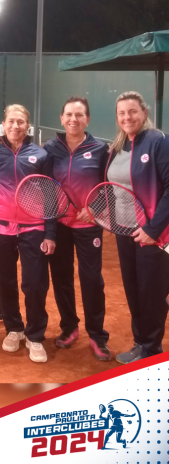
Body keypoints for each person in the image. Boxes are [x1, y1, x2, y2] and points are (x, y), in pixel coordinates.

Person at [0, 104, 56, 363]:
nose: (15, 126)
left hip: (34, 228)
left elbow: (50, 194)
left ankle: (35, 336)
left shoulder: (41, 155)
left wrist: (50, 232)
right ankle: (14, 328)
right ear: (3, 124)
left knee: (35, 283)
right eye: (11, 121)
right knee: (6, 281)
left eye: (20, 122)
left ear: (28, 126)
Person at [44, 97, 111, 361]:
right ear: (61, 118)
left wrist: (95, 209)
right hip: (59, 224)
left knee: (92, 279)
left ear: (88, 119)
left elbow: (109, 187)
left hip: (88, 225)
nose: (74, 119)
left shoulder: (100, 149)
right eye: (69, 115)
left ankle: (97, 335)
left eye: (79, 115)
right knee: (61, 278)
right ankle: (69, 327)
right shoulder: (50, 149)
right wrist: (49, 231)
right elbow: (47, 190)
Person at [105, 91, 169, 364]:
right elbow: (112, 187)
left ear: (144, 113)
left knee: (151, 294)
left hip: (152, 235)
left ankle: (151, 350)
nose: (127, 117)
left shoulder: (158, 141)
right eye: (121, 113)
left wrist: (153, 230)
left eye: (132, 111)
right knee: (133, 291)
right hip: (125, 231)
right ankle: (140, 343)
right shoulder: (118, 146)